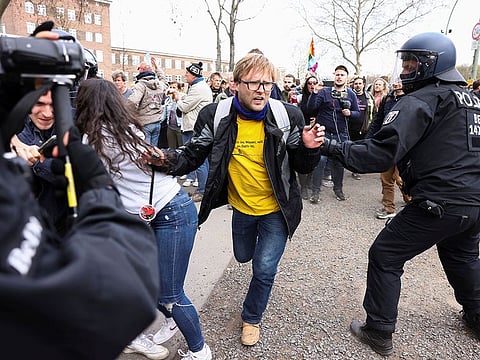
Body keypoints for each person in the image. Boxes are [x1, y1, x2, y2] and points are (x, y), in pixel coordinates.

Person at [0, 25, 160, 359]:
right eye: (36, 102)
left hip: (66, 229)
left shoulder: (73, 127)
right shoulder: (15, 134)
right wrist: (96, 186)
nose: (45, 111)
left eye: (51, 101)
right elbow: (116, 295)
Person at [146, 52, 324, 347]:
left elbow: (303, 167)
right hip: (240, 207)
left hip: (277, 209)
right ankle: (257, 256)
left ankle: (252, 316)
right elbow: (192, 155)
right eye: (254, 83)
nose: (261, 90)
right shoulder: (215, 115)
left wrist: (309, 148)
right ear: (235, 84)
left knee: (264, 269)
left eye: (267, 84)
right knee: (243, 255)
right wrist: (162, 159)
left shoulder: (287, 115)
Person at [320, 32, 480, 356]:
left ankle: (378, 330)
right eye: (405, 61)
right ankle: (478, 319)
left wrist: (330, 147)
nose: (406, 69)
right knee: (463, 258)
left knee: (385, 254)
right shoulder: (472, 101)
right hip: (473, 202)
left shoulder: (421, 100)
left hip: (439, 201)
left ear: (432, 65)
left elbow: (380, 153)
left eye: (412, 62)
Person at [75, 79, 212, 360]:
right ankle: (137, 333)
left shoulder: (100, 136)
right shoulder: (121, 130)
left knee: (169, 295)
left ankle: (200, 351)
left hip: (171, 212)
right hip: (151, 214)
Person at [10, 90, 69, 235]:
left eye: (53, 104)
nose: (47, 113)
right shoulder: (14, 129)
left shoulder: (72, 125)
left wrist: (39, 162)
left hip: (66, 223)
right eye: (39, 104)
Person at [306, 64, 360, 203]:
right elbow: (311, 108)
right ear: (334, 76)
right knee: (320, 161)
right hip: (323, 132)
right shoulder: (324, 92)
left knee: (338, 163)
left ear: (346, 78)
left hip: (341, 134)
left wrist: (350, 113)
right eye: (337, 74)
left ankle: (338, 190)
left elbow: (358, 114)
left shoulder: (351, 94)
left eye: (342, 74)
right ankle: (315, 192)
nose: (339, 77)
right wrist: (315, 93)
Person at [366, 81, 411, 220]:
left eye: (400, 80)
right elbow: (378, 121)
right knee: (386, 177)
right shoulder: (388, 98)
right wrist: (369, 139)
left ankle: (410, 200)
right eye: (395, 80)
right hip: (388, 145)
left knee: (400, 178)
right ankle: (389, 207)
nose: (397, 83)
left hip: (405, 146)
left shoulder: (412, 99)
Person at [172, 61, 212, 202]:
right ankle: (201, 188)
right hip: (196, 127)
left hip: (194, 128)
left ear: (194, 75)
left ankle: (202, 191)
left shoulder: (198, 88)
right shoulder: (198, 87)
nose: (185, 76)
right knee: (200, 159)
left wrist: (177, 98)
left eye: (187, 74)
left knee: (198, 159)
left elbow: (184, 107)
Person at [128, 61, 167, 146]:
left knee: (145, 151)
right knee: (154, 151)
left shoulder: (140, 85)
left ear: (141, 70)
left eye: (138, 68)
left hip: (144, 123)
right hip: (157, 121)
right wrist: (157, 68)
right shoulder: (159, 84)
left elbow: (132, 102)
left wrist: (132, 115)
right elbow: (164, 79)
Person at [297, 74, 319, 200]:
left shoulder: (319, 96)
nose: (312, 85)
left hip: (315, 130)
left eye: (314, 83)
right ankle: (303, 186)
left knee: (313, 158)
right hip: (303, 129)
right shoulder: (301, 97)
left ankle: (309, 181)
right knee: (302, 158)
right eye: (309, 83)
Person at [349, 75, 374, 180]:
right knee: (348, 147)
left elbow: (374, 112)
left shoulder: (368, 96)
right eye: (356, 84)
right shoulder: (349, 95)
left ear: (363, 85)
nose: (358, 85)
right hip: (350, 127)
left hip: (363, 127)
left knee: (359, 149)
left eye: (360, 83)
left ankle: (355, 170)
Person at [163, 81, 183, 149]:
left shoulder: (183, 98)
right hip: (170, 126)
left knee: (181, 146)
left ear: (179, 89)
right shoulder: (168, 100)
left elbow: (180, 108)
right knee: (171, 147)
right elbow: (164, 114)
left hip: (180, 126)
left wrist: (176, 97)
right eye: (170, 87)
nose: (171, 89)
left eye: (174, 87)